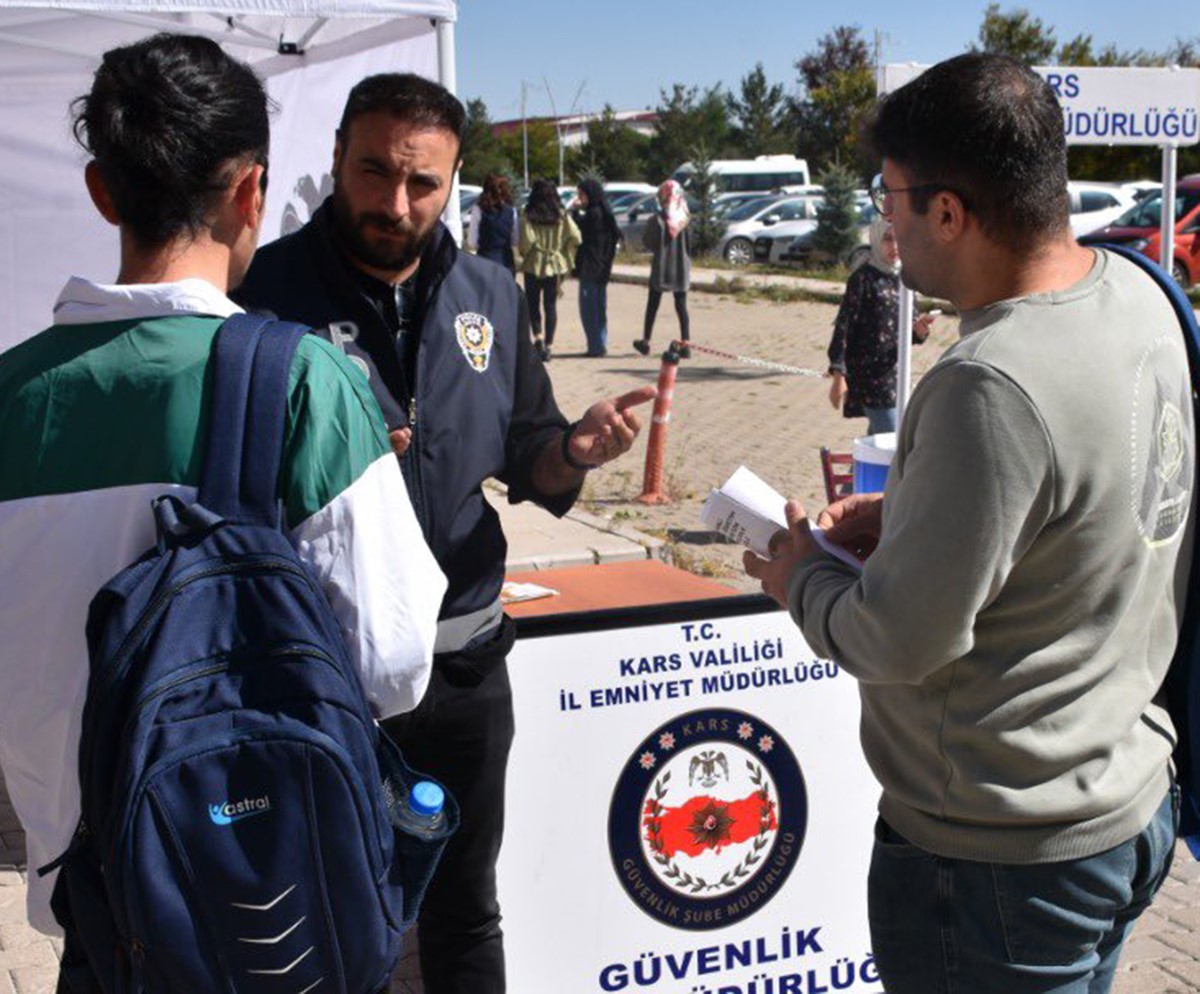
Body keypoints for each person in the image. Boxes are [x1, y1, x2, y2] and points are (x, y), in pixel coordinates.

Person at [745, 53, 1192, 994]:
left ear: (949, 212)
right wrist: (914, 511)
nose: (889, 228)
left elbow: (900, 638)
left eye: (893, 199)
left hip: (1000, 855)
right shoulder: (1139, 294)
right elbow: (1085, 507)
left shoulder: (991, 380)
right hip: (1121, 797)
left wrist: (799, 575)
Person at [0, 32, 445, 968]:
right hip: (264, 902)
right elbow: (395, 663)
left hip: (88, 909)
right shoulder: (305, 386)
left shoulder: (10, 398)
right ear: (251, 193)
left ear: (101, 191)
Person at [235, 73, 654, 994]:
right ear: (336, 156)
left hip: (465, 670)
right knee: (318, 913)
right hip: (319, 679)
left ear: (455, 179)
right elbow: (228, 490)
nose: (394, 203)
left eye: (421, 183)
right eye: (373, 171)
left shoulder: (490, 294)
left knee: (465, 908)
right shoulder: (262, 292)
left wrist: (574, 450)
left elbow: (529, 453)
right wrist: (330, 462)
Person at [827, 216, 933, 435]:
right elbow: (844, 327)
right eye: (887, 239)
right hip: (871, 379)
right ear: (875, 239)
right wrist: (839, 375)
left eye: (899, 239)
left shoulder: (905, 278)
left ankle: (860, 470)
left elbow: (908, 328)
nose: (894, 246)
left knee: (879, 443)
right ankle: (869, 469)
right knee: (892, 441)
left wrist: (919, 331)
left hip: (897, 376)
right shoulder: (863, 279)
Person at [517, 177, 580, 361]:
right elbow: (576, 236)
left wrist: (526, 252)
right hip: (554, 264)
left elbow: (526, 243)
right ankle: (550, 346)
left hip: (533, 264)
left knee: (533, 303)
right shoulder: (561, 215)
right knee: (550, 305)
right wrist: (562, 250)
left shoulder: (528, 214)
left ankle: (538, 338)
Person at [634, 179, 691, 358]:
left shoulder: (659, 219)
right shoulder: (685, 217)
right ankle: (686, 343)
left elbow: (648, 242)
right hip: (681, 266)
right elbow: (692, 243)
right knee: (681, 305)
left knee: (653, 305)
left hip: (662, 266)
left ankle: (646, 341)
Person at [571, 177, 620, 357]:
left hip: (590, 266)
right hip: (602, 266)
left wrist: (575, 211)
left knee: (589, 308)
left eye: (581, 195)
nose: (580, 199)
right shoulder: (604, 212)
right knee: (599, 307)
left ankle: (595, 346)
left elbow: (579, 233)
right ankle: (600, 342)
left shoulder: (593, 214)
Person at [466, 173, 518, 273]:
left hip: (485, 260)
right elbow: (515, 240)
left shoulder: (478, 209)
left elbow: (472, 242)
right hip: (506, 261)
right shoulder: (512, 211)